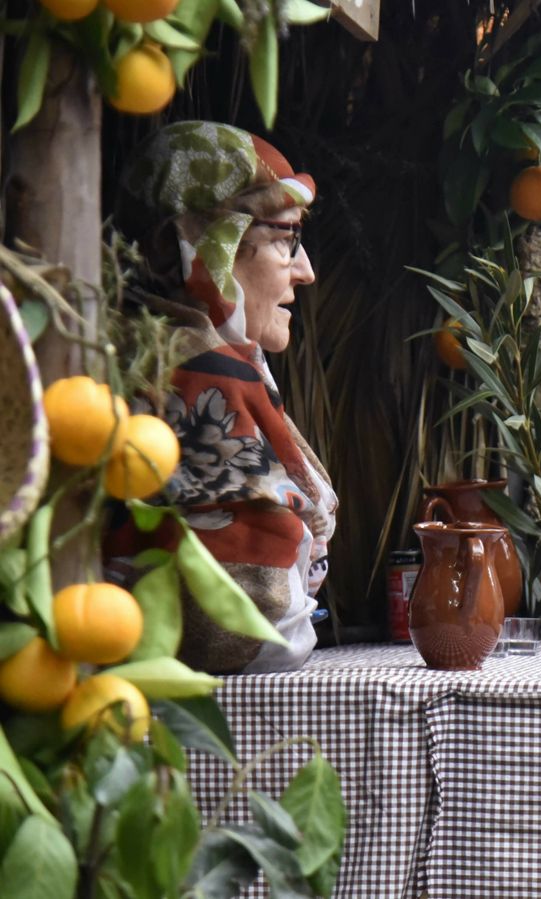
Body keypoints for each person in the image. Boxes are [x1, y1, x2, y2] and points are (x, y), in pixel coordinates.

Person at [109, 121, 336, 674]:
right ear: (203, 245)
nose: (306, 271)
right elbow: (260, 625)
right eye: (286, 238)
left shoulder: (151, 356)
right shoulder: (192, 376)